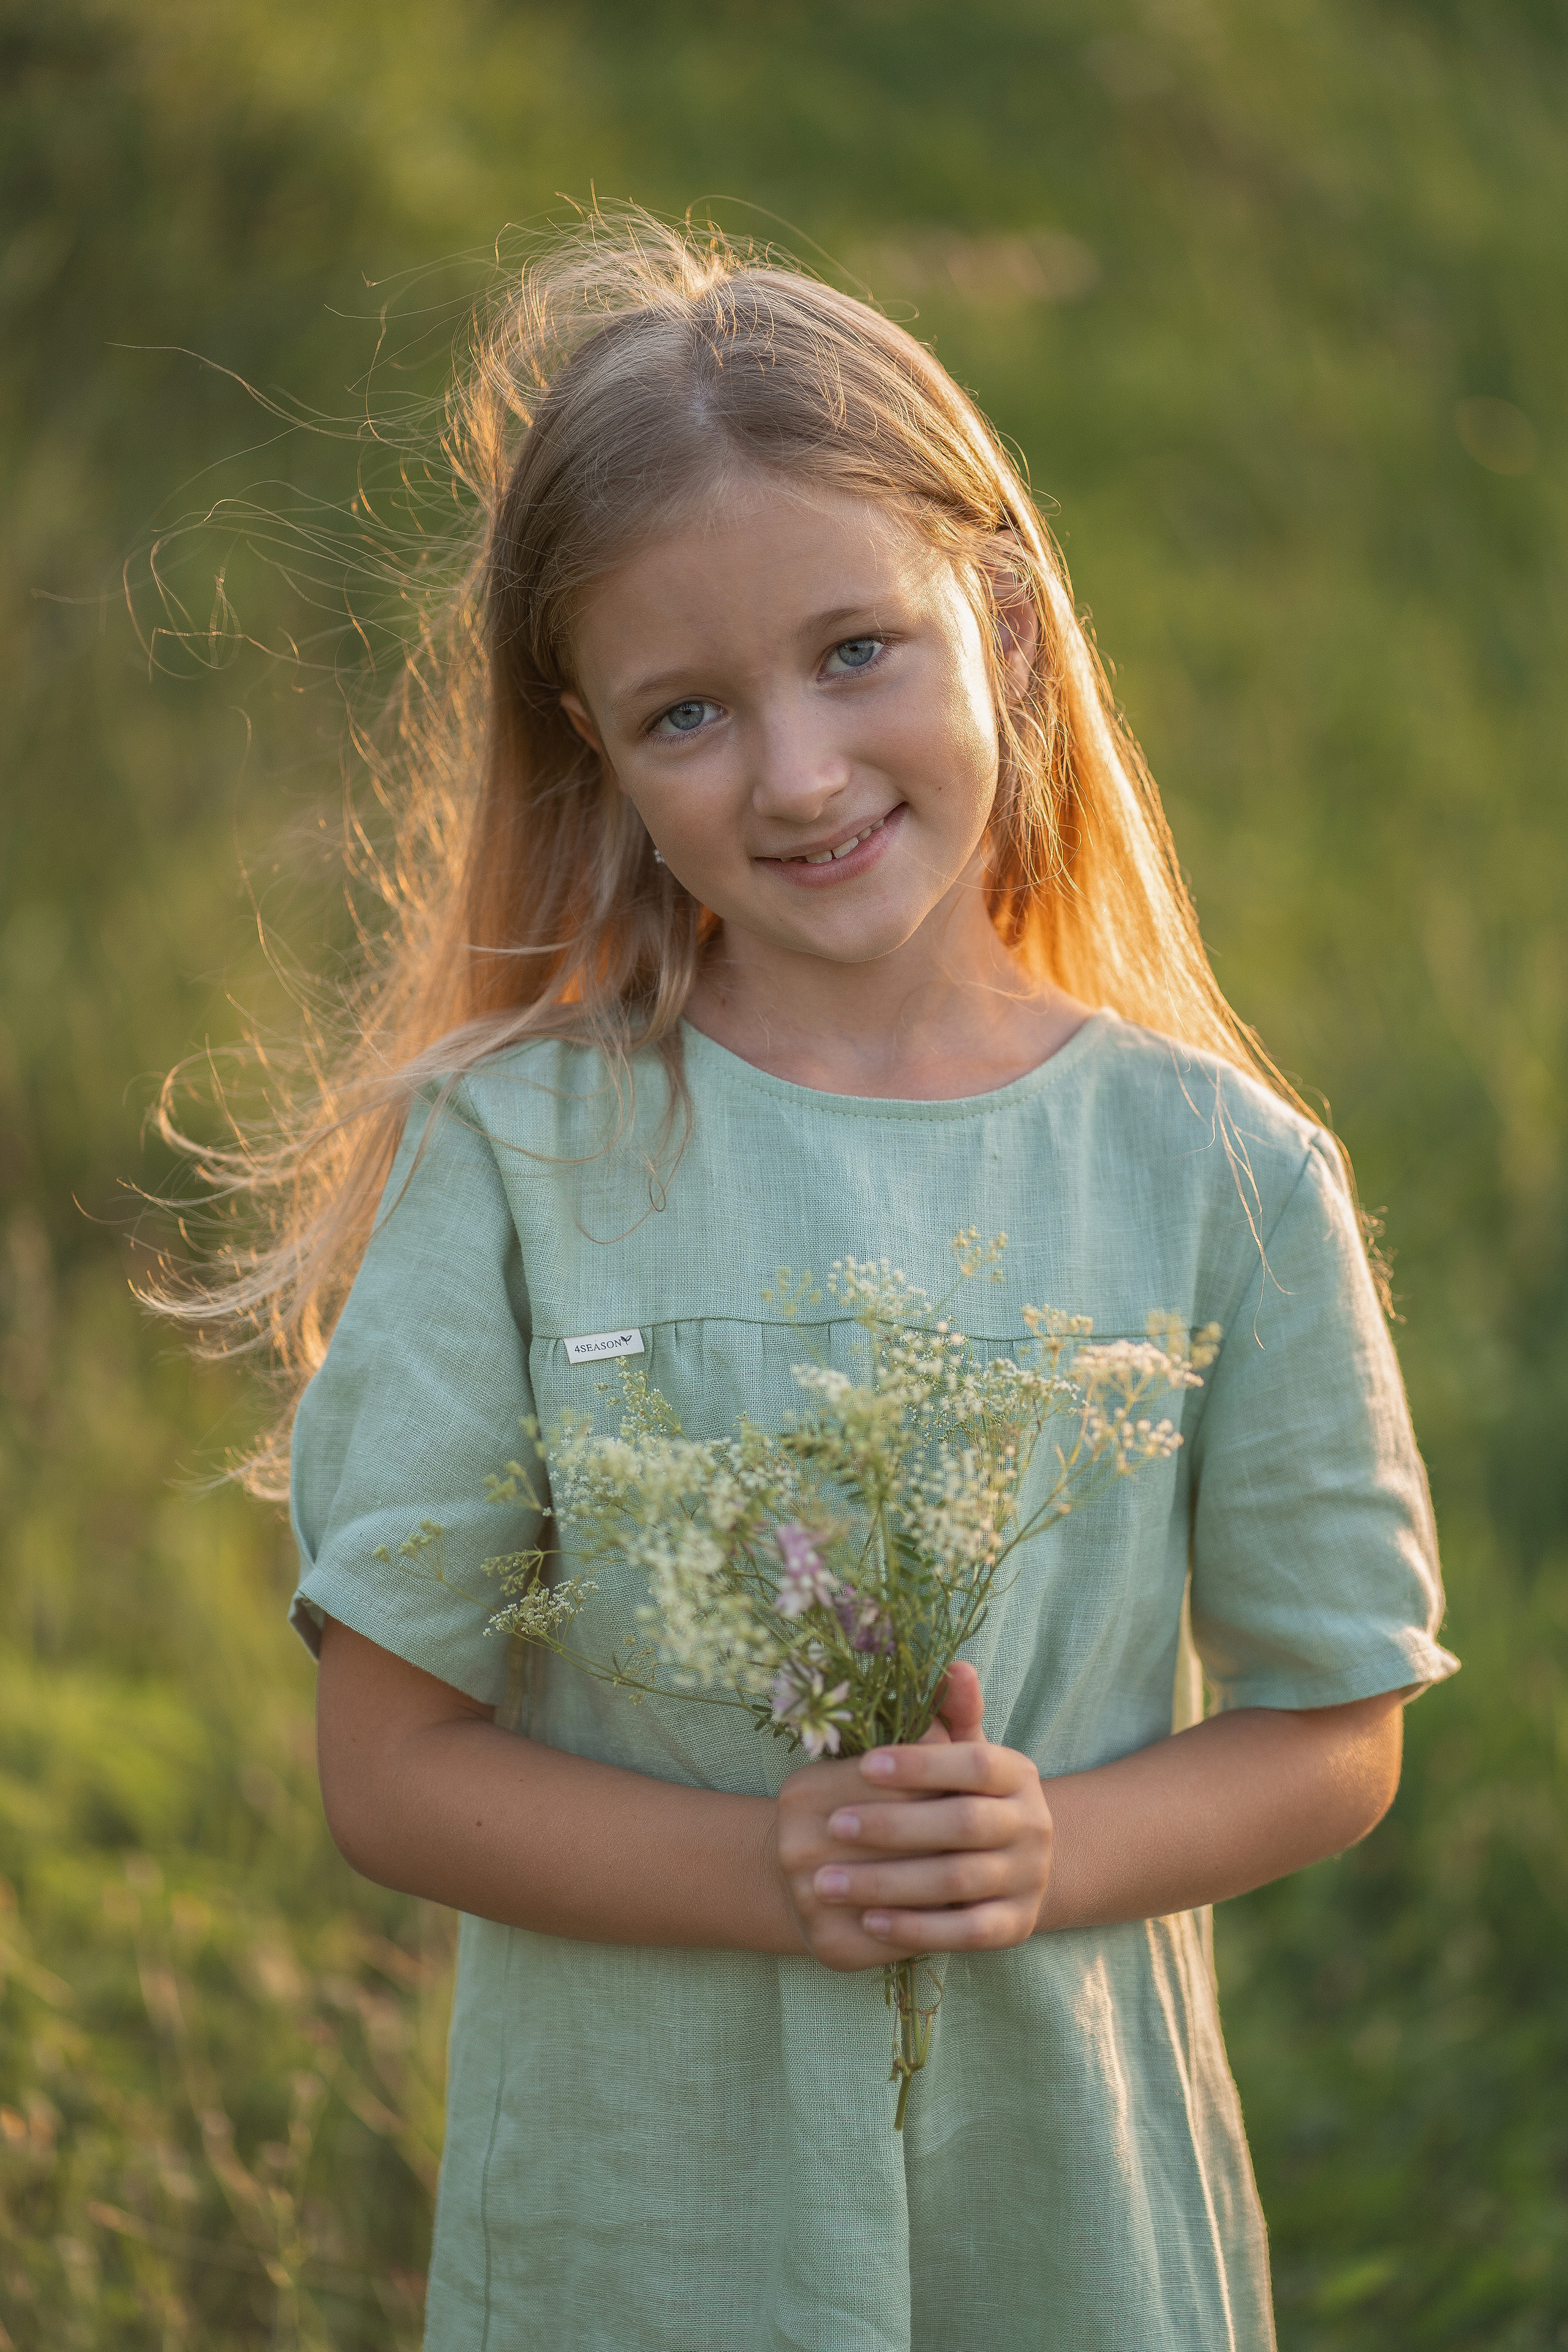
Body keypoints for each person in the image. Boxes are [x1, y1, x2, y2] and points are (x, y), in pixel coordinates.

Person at [169, 213, 1456, 2350]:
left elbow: (1338, 1729)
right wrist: (785, 1871)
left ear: (1010, 635)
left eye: (860, 650)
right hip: (645, 2237)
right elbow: (389, 1770)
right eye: (686, 711)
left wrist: (1042, 1850)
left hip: (1064, 2230)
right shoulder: (517, 1161)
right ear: (592, 755)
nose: (795, 771)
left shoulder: (1223, 1170)